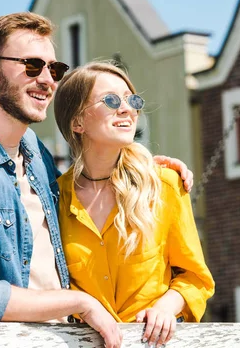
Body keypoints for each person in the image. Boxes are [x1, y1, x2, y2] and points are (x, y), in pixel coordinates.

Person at [0, 12, 192, 348]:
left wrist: (144, 166)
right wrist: (79, 302)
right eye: (32, 65)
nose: (47, 79)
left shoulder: (35, 152)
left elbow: (90, 180)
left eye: (53, 69)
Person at [52, 61, 215, 348]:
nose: (127, 109)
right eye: (111, 100)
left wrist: (166, 307)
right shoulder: (55, 198)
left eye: (132, 100)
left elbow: (196, 278)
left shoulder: (165, 185)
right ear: (77, 122)